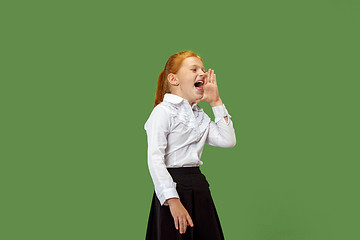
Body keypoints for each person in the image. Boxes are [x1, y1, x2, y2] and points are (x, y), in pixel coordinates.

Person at [144, 50, 236, 240]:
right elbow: (155, 159)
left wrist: (216, 102)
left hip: (198, 186)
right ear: (174, 79)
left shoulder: (200, 116)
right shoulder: (163, 112)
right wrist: (173, 200)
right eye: (194, 69)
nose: (202, 73)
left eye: (203, 69)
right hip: (173, 187)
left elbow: (228, 141)